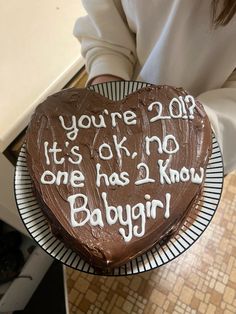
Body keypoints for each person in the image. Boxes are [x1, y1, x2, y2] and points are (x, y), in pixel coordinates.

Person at [74, 0, 236, 174]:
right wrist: (106, 80)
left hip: (197, 149)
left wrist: (192, 134)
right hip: (119, 112)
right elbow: (107, 20)